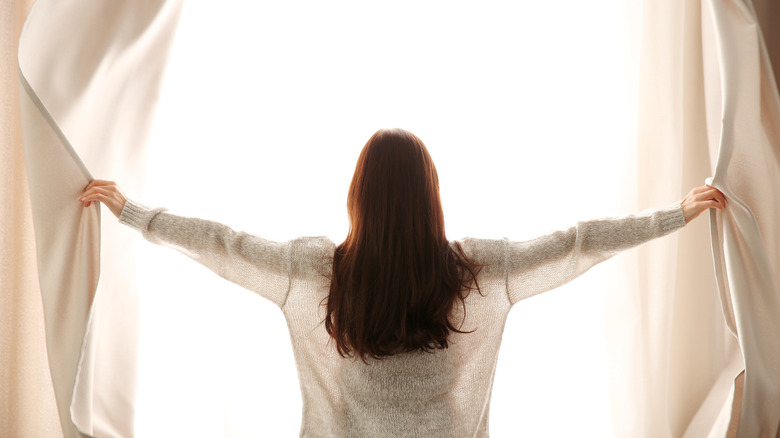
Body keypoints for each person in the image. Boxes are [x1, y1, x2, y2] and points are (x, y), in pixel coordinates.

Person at [79, 128, 726, 437]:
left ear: (357, 196)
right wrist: (675, 215)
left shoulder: (317, 271)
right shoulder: (475, 270)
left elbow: (222, 245)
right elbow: (578, 243)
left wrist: (134, 212)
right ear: (431, 198)